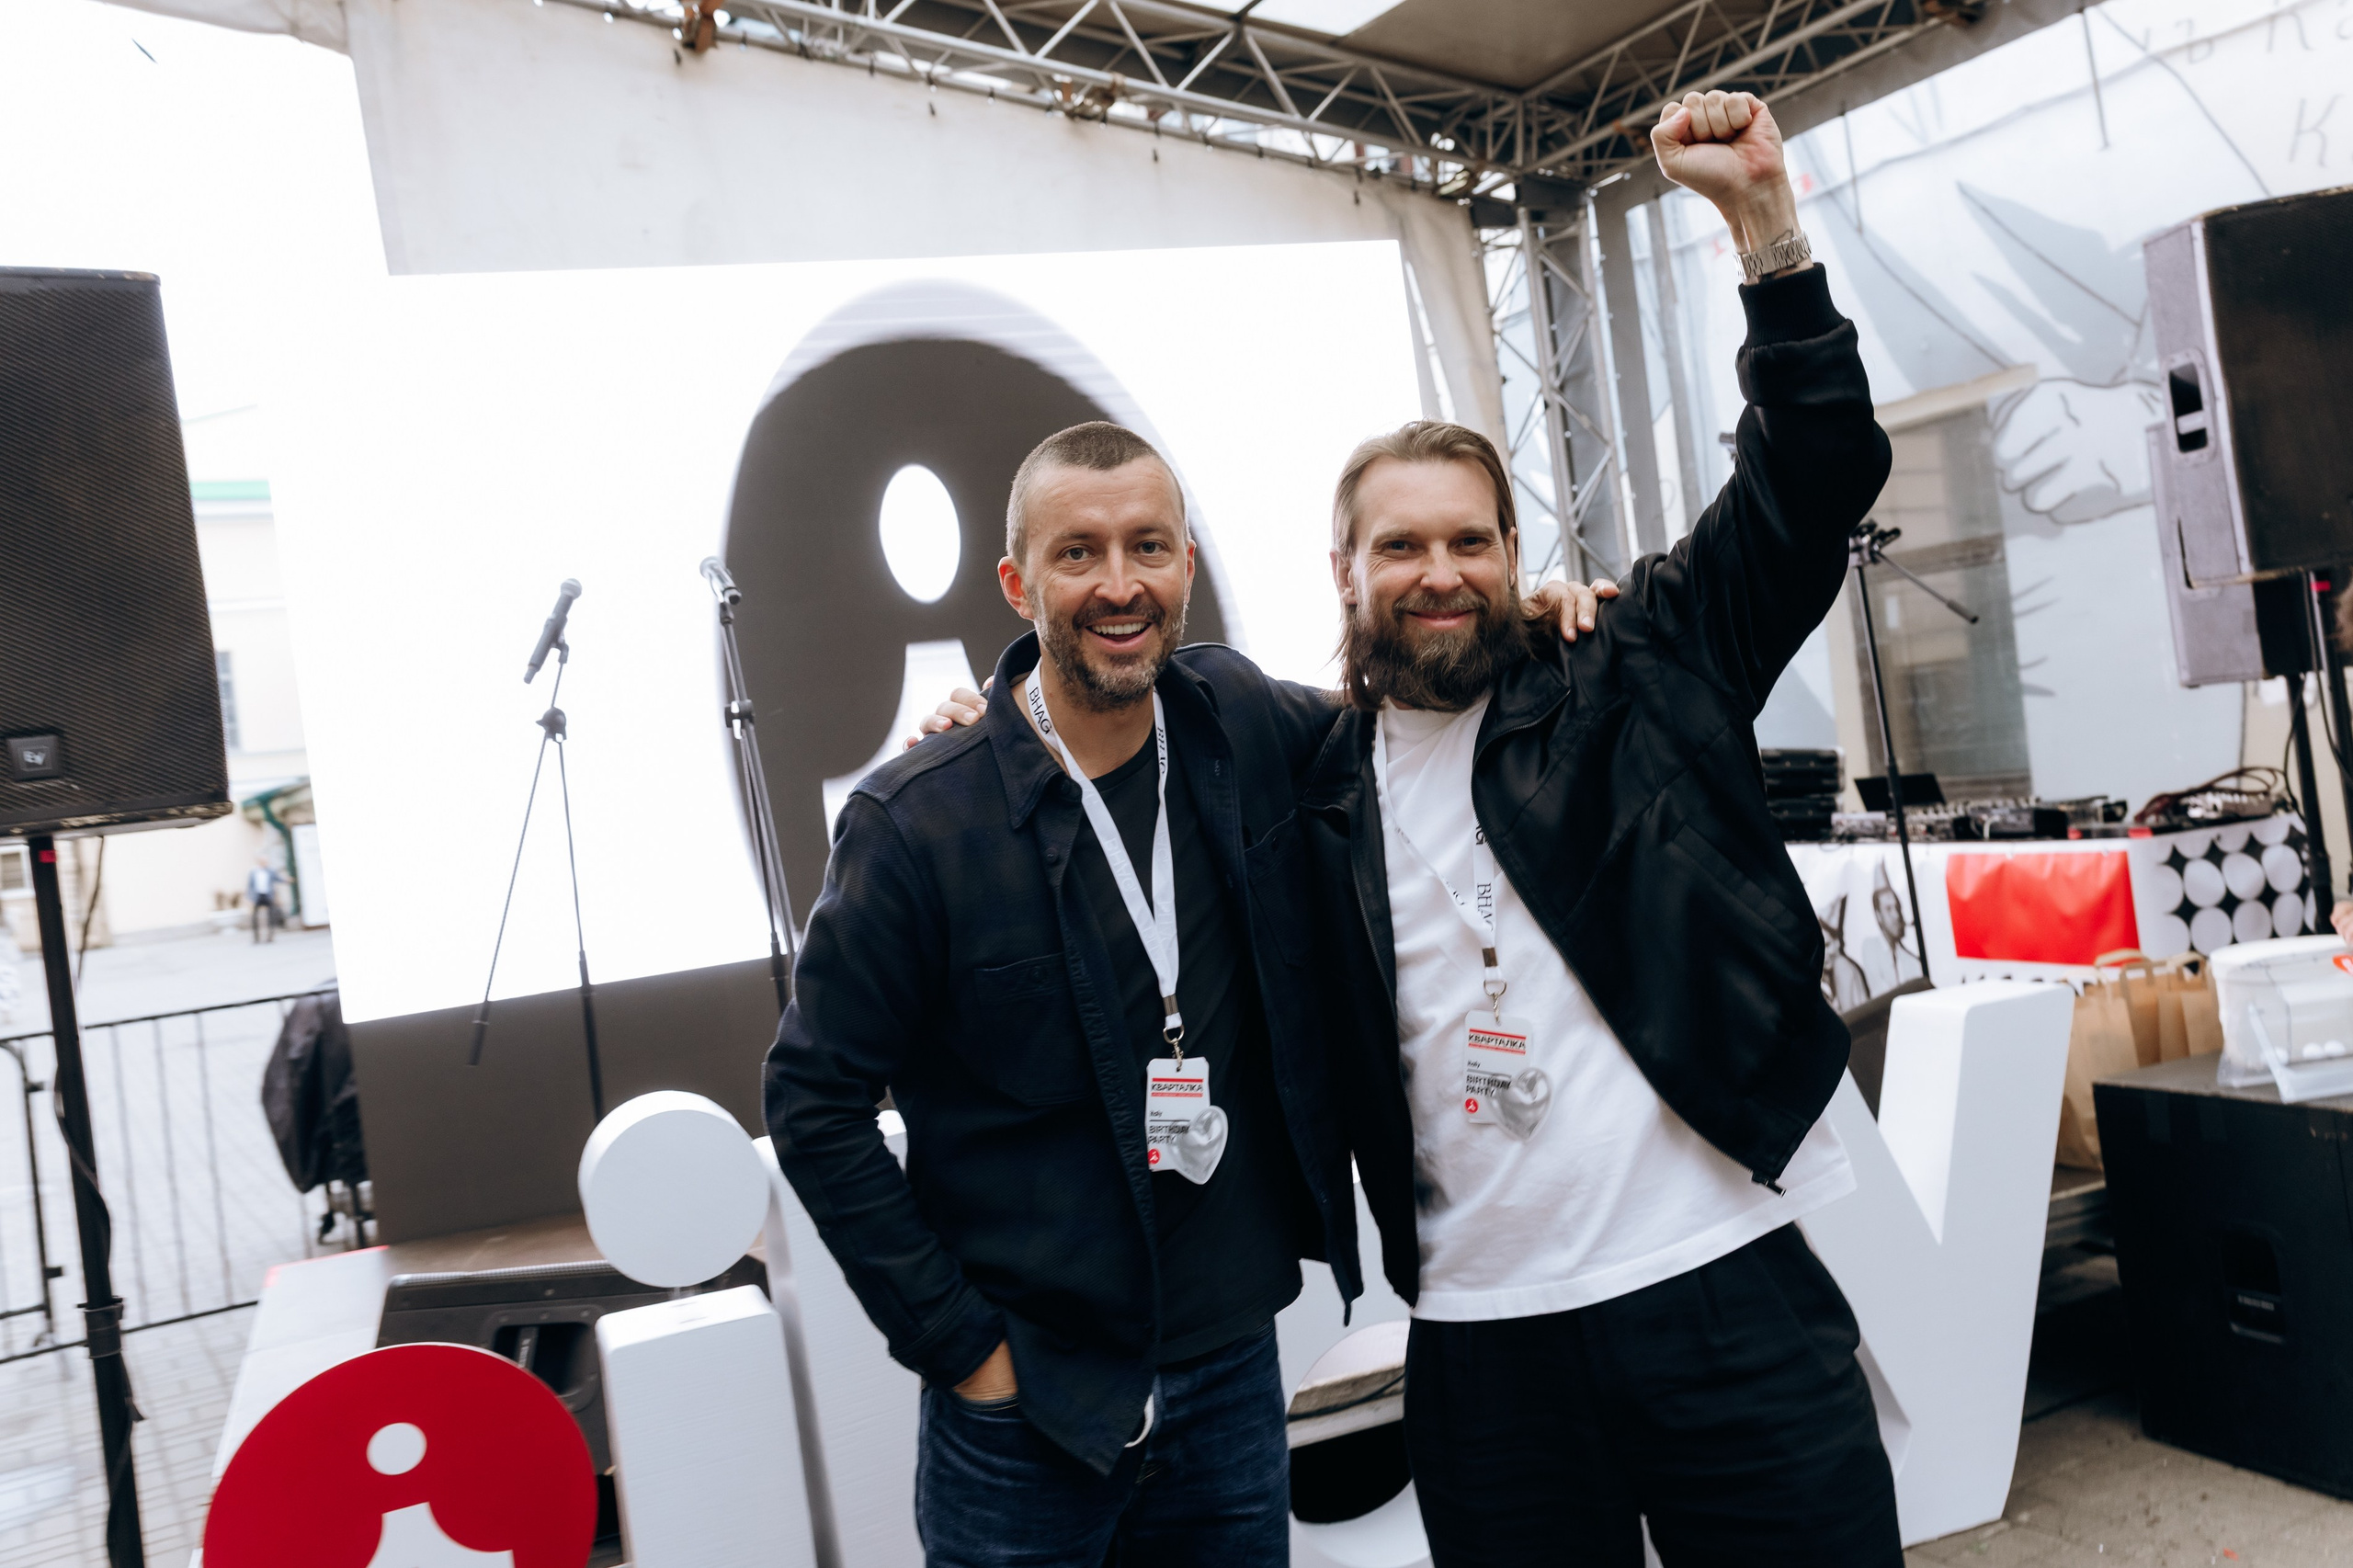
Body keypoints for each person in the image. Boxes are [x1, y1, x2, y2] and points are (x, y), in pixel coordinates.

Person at [775, 418, 1609, 1567]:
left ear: (1187, 567)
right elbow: (812, 1100)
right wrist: (966, 1350)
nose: (1119, 585)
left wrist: (1524, 616)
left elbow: (1413, 705)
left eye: (1148, 547)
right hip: (1030, 1405)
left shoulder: (1237, 719)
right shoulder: (919, 822)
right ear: (1017, 584)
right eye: (1078, 553)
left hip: (1229, 1375)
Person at [1293, 90, 1900, 1565]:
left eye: (1471, 539)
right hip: (1483, 1350)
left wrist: (1765, 228)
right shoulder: (1302, 786)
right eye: (1400, 544)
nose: (1439, 572)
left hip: (1725, 1287)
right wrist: (994, 707)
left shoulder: (1634, 664)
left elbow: (1813, 477)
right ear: (1344, 570)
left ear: (1519, 555)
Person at [247, 858, 281, 944]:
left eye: (265, 862)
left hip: (268, 895)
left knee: (271, 916)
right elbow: (250, 886)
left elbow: (277, 878)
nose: (264, 863)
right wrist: (250, 898)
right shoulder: (253, 872)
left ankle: (270, 937)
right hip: (257, 896)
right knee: (254, 918)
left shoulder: (271, 871)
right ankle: (256, 938)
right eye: (263, 862)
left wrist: (286, 880)